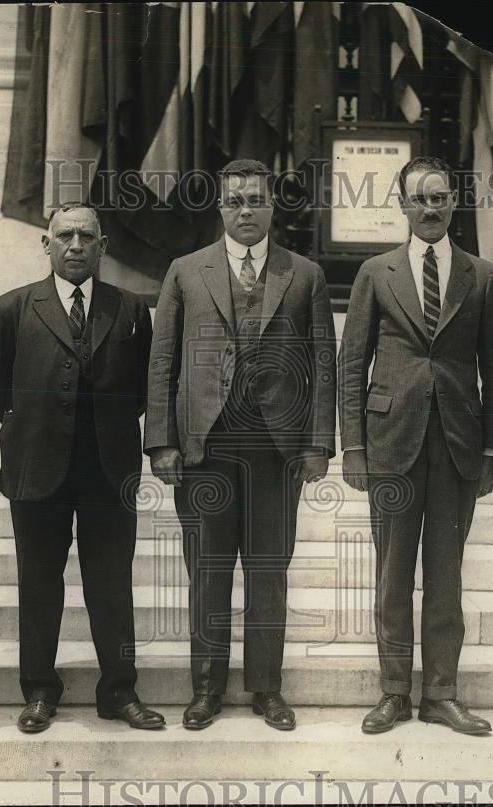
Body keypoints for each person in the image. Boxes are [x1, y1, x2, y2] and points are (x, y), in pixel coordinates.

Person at [145, 158, 336, 731]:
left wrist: (318, 444)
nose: (246, 209)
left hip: (276, 448)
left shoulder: (304, 275)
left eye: (256, 199)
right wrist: (162, 442)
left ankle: (266, 689)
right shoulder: (185, 271)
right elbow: (163, 362)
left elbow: (323, 363)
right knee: (207, 568)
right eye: (235, 201)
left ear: (273, 206)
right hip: (206, 444)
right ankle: (205, 688)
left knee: (269, 569)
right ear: (221, 207)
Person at [0, 203, 162, 733]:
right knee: (37, 582)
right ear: (46, 243)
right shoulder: (13, 307)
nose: (75, 245)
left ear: (103, 247)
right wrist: (28, 423)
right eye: (64, 235)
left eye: (86, 236)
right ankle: (38, 691)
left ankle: (119, 692)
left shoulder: (128, 309)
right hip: (37, 466)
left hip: (108, 467)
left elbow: (145, 384)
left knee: (111, 582)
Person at [339, 156, 493, 735]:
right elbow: (350, 365)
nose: (431, 208)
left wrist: (492, 452)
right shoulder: (375, 273)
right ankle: (393, 692)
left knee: (446, 574)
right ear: (403, 205)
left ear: (453, 204)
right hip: (390, 443)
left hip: (459, 446)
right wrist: (354, 448)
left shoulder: (481, 276)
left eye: (441, 198)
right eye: (420, 199)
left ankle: (441, 693)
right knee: (391, 574)